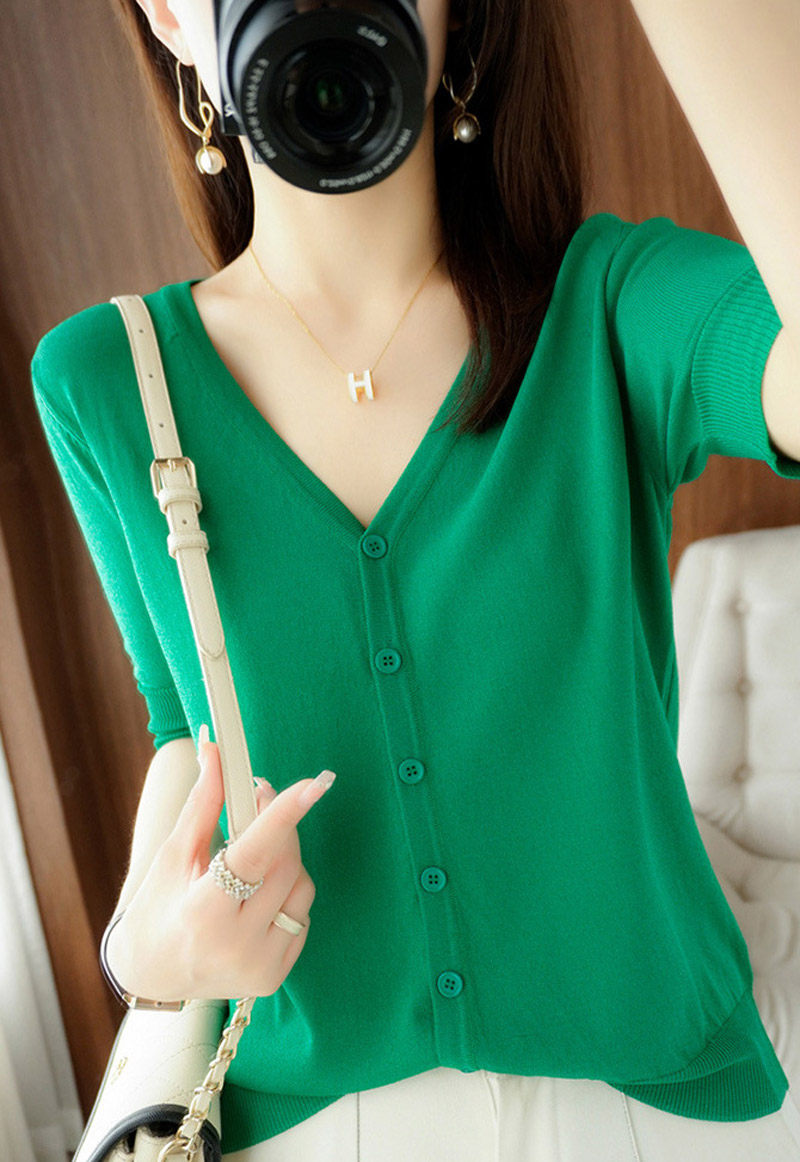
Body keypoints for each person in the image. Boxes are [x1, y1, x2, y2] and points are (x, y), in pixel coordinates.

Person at [29, 0, 800, 1159]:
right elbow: (185, 721)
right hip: (316, 1118)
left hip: (651, 1098)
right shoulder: (105, 378)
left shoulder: (607, 307)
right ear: (169, 18)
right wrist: (147, 951)